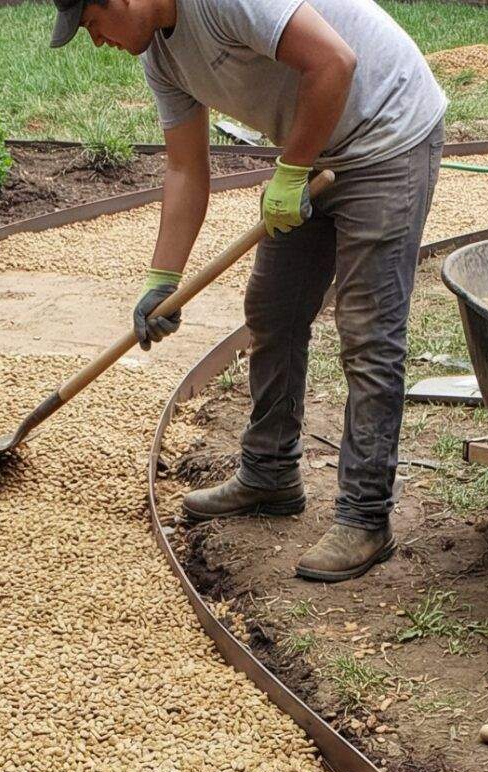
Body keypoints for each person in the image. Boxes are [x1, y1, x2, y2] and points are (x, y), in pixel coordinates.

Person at [53, 0, 445, 582]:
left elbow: (335, 61)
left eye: (91, 26)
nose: (96, 42)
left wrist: (290, 173)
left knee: (368, 331)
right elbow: (186, 168)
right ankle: (270, 474)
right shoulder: (161, 56)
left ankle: (366, 517)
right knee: (273, 308)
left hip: (386, 132)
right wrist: (162, 280)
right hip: (314, 145)